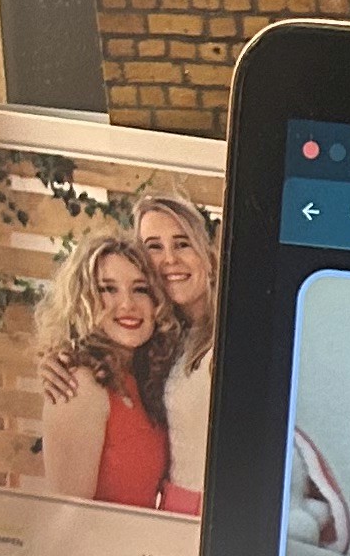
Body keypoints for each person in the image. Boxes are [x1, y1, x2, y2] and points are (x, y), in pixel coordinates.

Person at [33, 228, 171, 509]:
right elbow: (70, 519)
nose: (127, 304)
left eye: (140, 289)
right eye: (108, 289)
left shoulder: (142, 380)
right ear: (83, 300)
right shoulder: (79, 385)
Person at [133, 188, 219, 515]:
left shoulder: (233, 332)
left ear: (208, 258)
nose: (169, 259)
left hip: (212, 511)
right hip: (172, 508)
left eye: (182, 244)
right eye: (154, 247)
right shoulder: (162, 338)